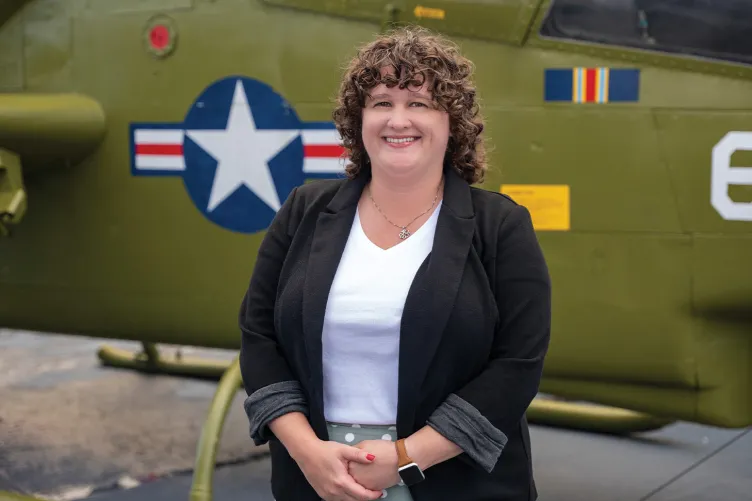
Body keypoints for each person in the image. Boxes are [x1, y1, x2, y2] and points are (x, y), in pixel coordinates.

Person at [239, 25, 551, 501]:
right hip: (319, 481)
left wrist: (407, 456)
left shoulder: (500, 226)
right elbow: (258, 337)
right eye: (381, 103)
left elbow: (518, 363)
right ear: (358, 121)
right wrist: (307, 453)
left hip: (455, 481)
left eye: (419, 103)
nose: (397, 120)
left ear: (453, 123)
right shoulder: (304, 210)